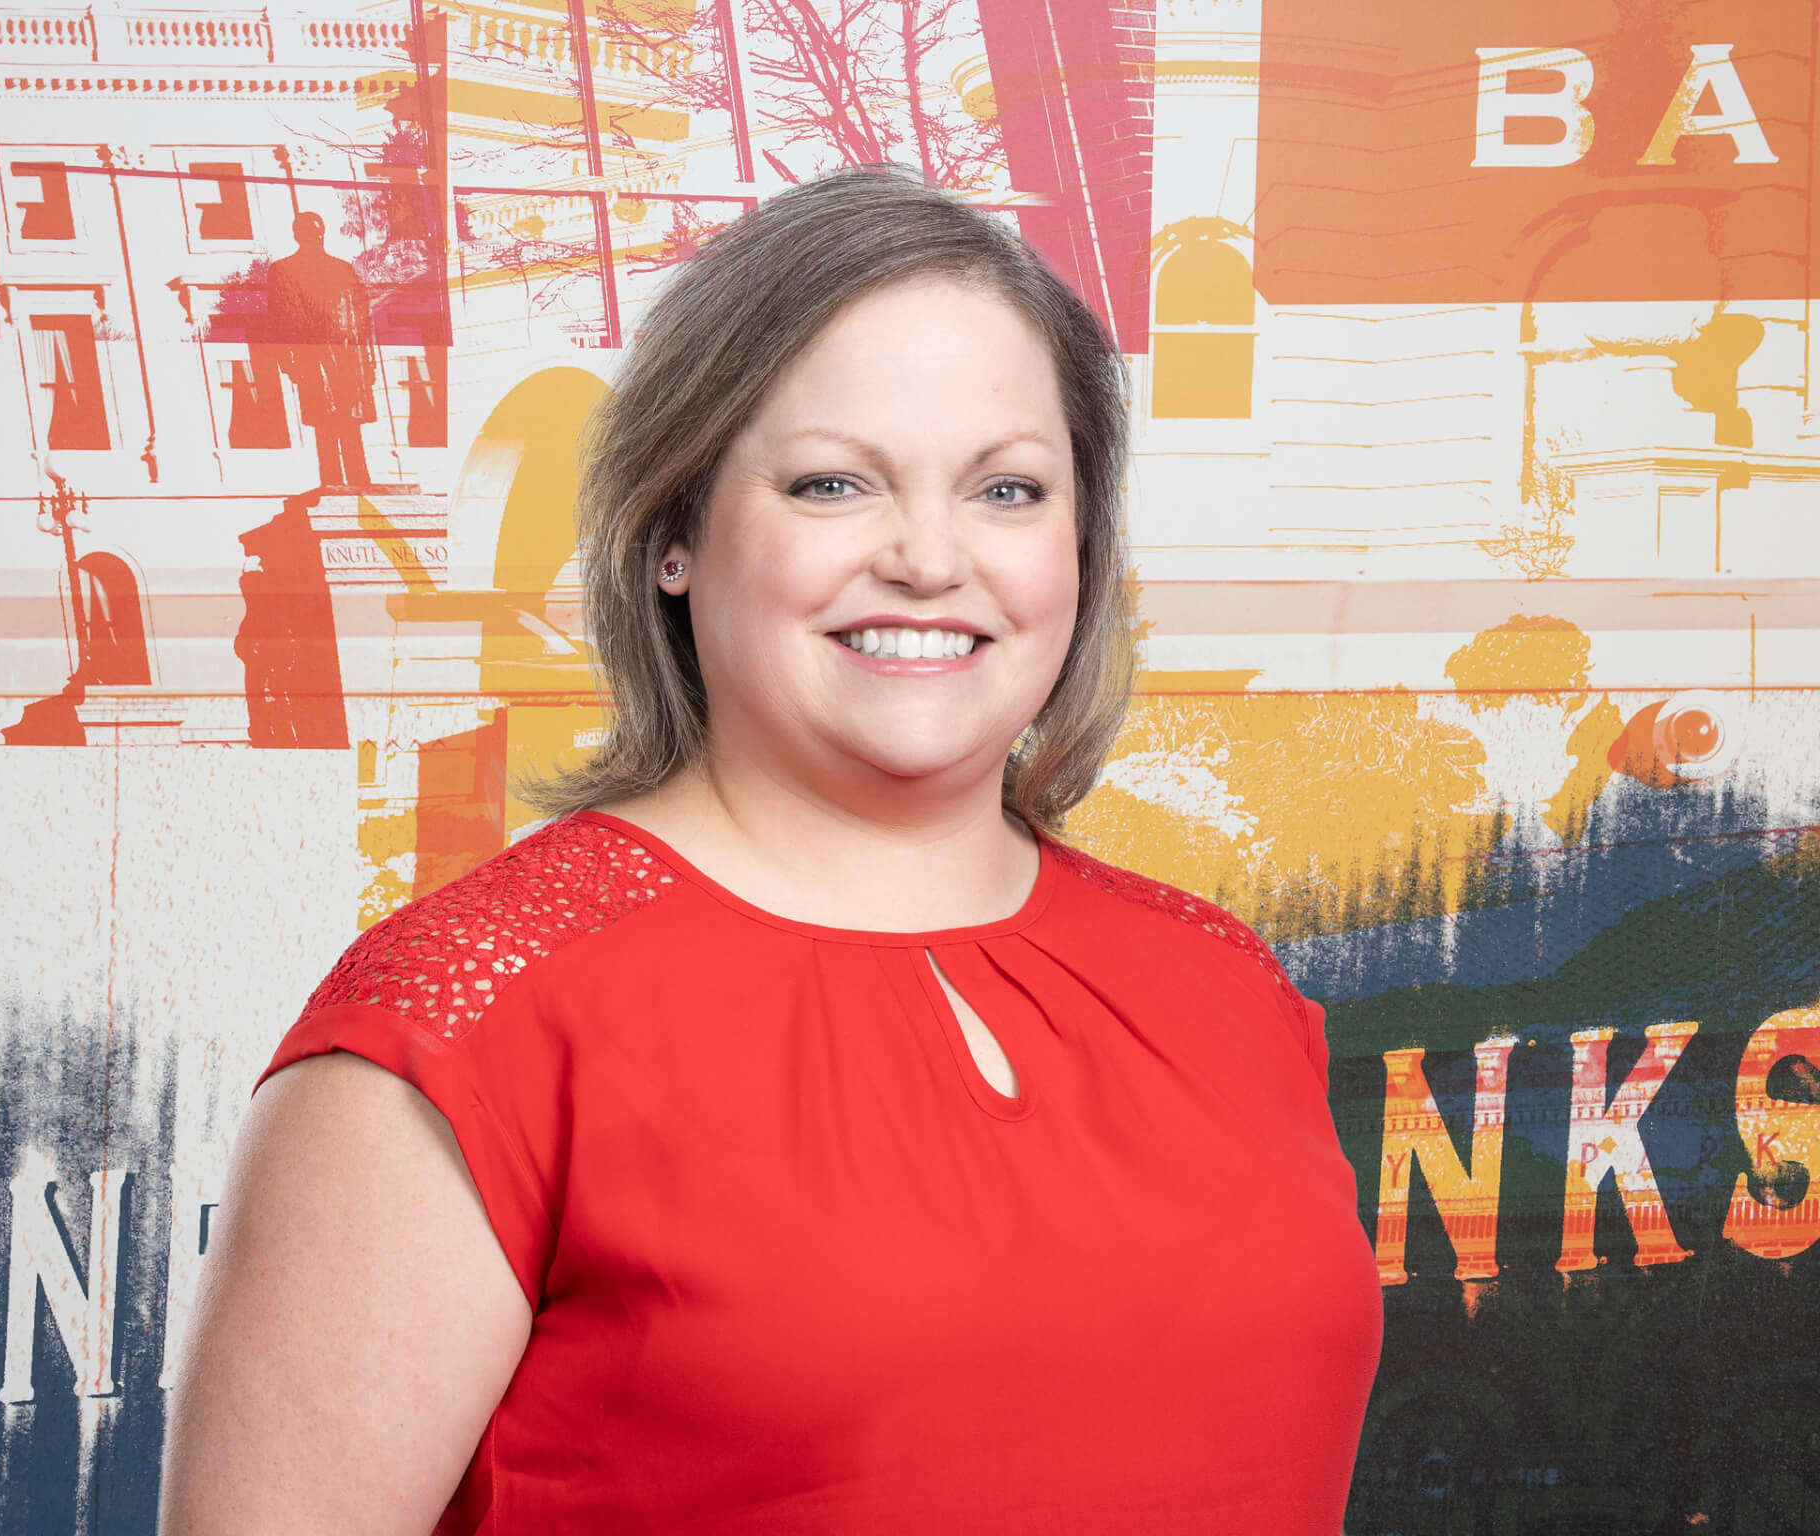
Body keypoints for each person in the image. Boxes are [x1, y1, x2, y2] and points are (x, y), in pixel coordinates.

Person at [158, 164, 1383, 1535]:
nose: (931, 558)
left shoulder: (1226, 988)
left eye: (1009, 491)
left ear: (1080, 549)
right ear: (675, 531)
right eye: (831, 483)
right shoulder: (463, 1027)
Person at [265, 211, 377, 490]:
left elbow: (363, 317)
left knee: (349, 422)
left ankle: (359, 480)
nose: (315, 238)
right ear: (297, 236)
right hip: (312, 356)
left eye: (317, 232)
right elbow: (280, 319)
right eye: (308, 233)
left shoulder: (343, 268)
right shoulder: (283, 270)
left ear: (322, 234)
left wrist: (369, 361)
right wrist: (288, 361)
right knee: (325, 423)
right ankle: (333, 482)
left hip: (348, 356)